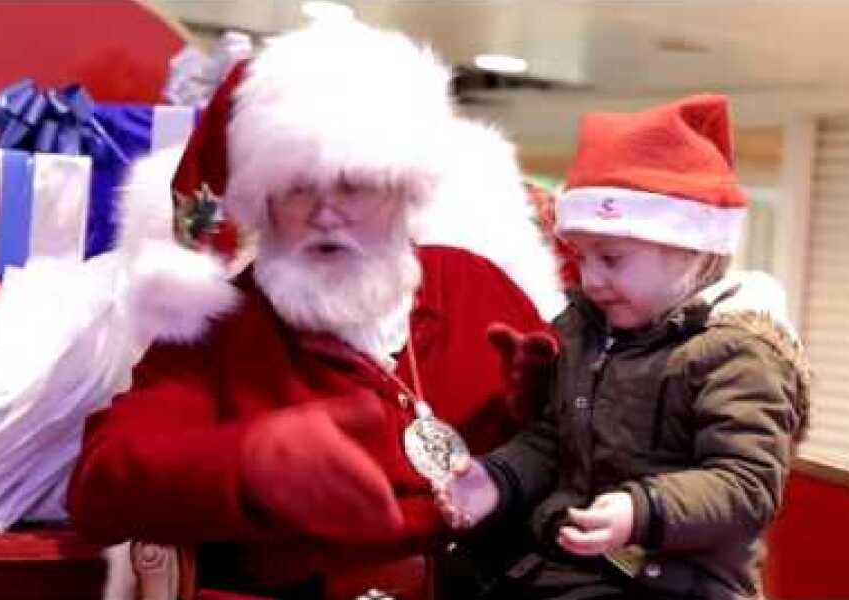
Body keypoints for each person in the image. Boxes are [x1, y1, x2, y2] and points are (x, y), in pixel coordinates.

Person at [66, 21, 564, 598]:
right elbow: (102, 485)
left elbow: (587, 443)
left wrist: (544, 406)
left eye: (353, 184)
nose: (327, 214)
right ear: (264, 203)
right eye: (298, 189)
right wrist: (249, 462)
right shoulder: (220, 328)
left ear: (404, 191)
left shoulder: (476, 286)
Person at [435, 95, 811, 600]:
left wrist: (642, 510)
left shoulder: (740, 353)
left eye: (611, 258)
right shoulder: (583, 330)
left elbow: (746, 484)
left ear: (691, 250)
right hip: (565, 566)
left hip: (674, 582)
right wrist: (497, 478)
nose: (590, 280)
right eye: (582, 258)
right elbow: (552, 441)